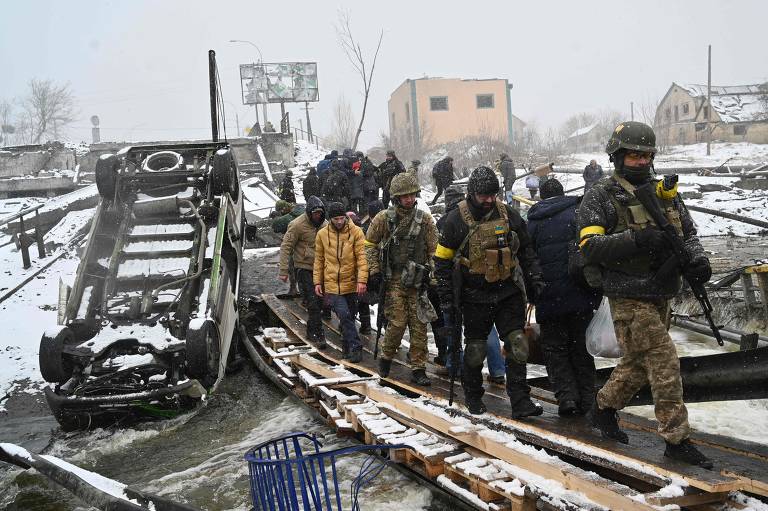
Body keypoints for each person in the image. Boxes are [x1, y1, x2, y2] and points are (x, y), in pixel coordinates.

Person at [578, 121, 713, 469]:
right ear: (617, 156)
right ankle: (676, 439)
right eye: (633, 155)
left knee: (638, 364)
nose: (640, 162)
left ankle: (603, 408)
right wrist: (635, 241)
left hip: (662, 293)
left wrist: (698, 262)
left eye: (645, 156)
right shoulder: (602, 196)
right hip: (628, 295)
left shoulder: (664, 193)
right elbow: (589, 247)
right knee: (665, 362)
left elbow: (688, 234)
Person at [434, 166, 545, 417]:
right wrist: (447, 299)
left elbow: (527, 250)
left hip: (508, 293)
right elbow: (441, 262)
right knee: (475, 350)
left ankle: (520, 401)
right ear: (472, 194)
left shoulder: (508, 215)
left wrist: (535, 279)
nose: (489, 200)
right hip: (474, 298)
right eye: (484, 195)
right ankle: (473, 396)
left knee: (518, 344)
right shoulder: (455, 220)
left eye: (492, 195)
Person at [527, 179, 601, 416]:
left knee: (555, 349)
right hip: (580, 294)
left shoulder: (533, 223)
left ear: (541, 196)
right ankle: (589, 399)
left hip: (548, 297)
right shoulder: (579, 214)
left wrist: (532, 296)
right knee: (582, 348)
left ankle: (567, 398)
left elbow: (527, 261)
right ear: (562, 194)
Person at [365, 173, 438, 386]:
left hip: (417, 280)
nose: (408, 199)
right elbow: (369, 245)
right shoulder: (383, 219)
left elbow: (434, 250)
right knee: (396, 324)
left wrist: (433, 277)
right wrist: (374, 271)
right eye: (404, 196)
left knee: (419, 325)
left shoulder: (424, 220)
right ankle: (386, 357)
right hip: (393, 279)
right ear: (396, 197)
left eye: (412, 195)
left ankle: (418, 367)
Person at [314, 201, 368, 362]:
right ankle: (356, 346)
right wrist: (317, 282)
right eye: (335, 219)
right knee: (343, 315)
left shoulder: (356, 232)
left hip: (350, 282)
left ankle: (346, 346)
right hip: (332, 283)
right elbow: (319, 260)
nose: (339, 222)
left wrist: (362, 280)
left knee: (350, 316)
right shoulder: (322, 234)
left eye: (341, 218)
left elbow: (362, 258)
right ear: (330, 219)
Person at [280, 196, 327, 346]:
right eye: (315, 213)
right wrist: (283, 270)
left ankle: (315, 329)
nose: (317, 216)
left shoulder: (325, 225)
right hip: (304, 268)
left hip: (321, 269)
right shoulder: (297, 225)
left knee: (320, 302)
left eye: (320, 213)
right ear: (309, 213)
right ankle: (316, 333)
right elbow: (286, 247)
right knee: (312, 302)